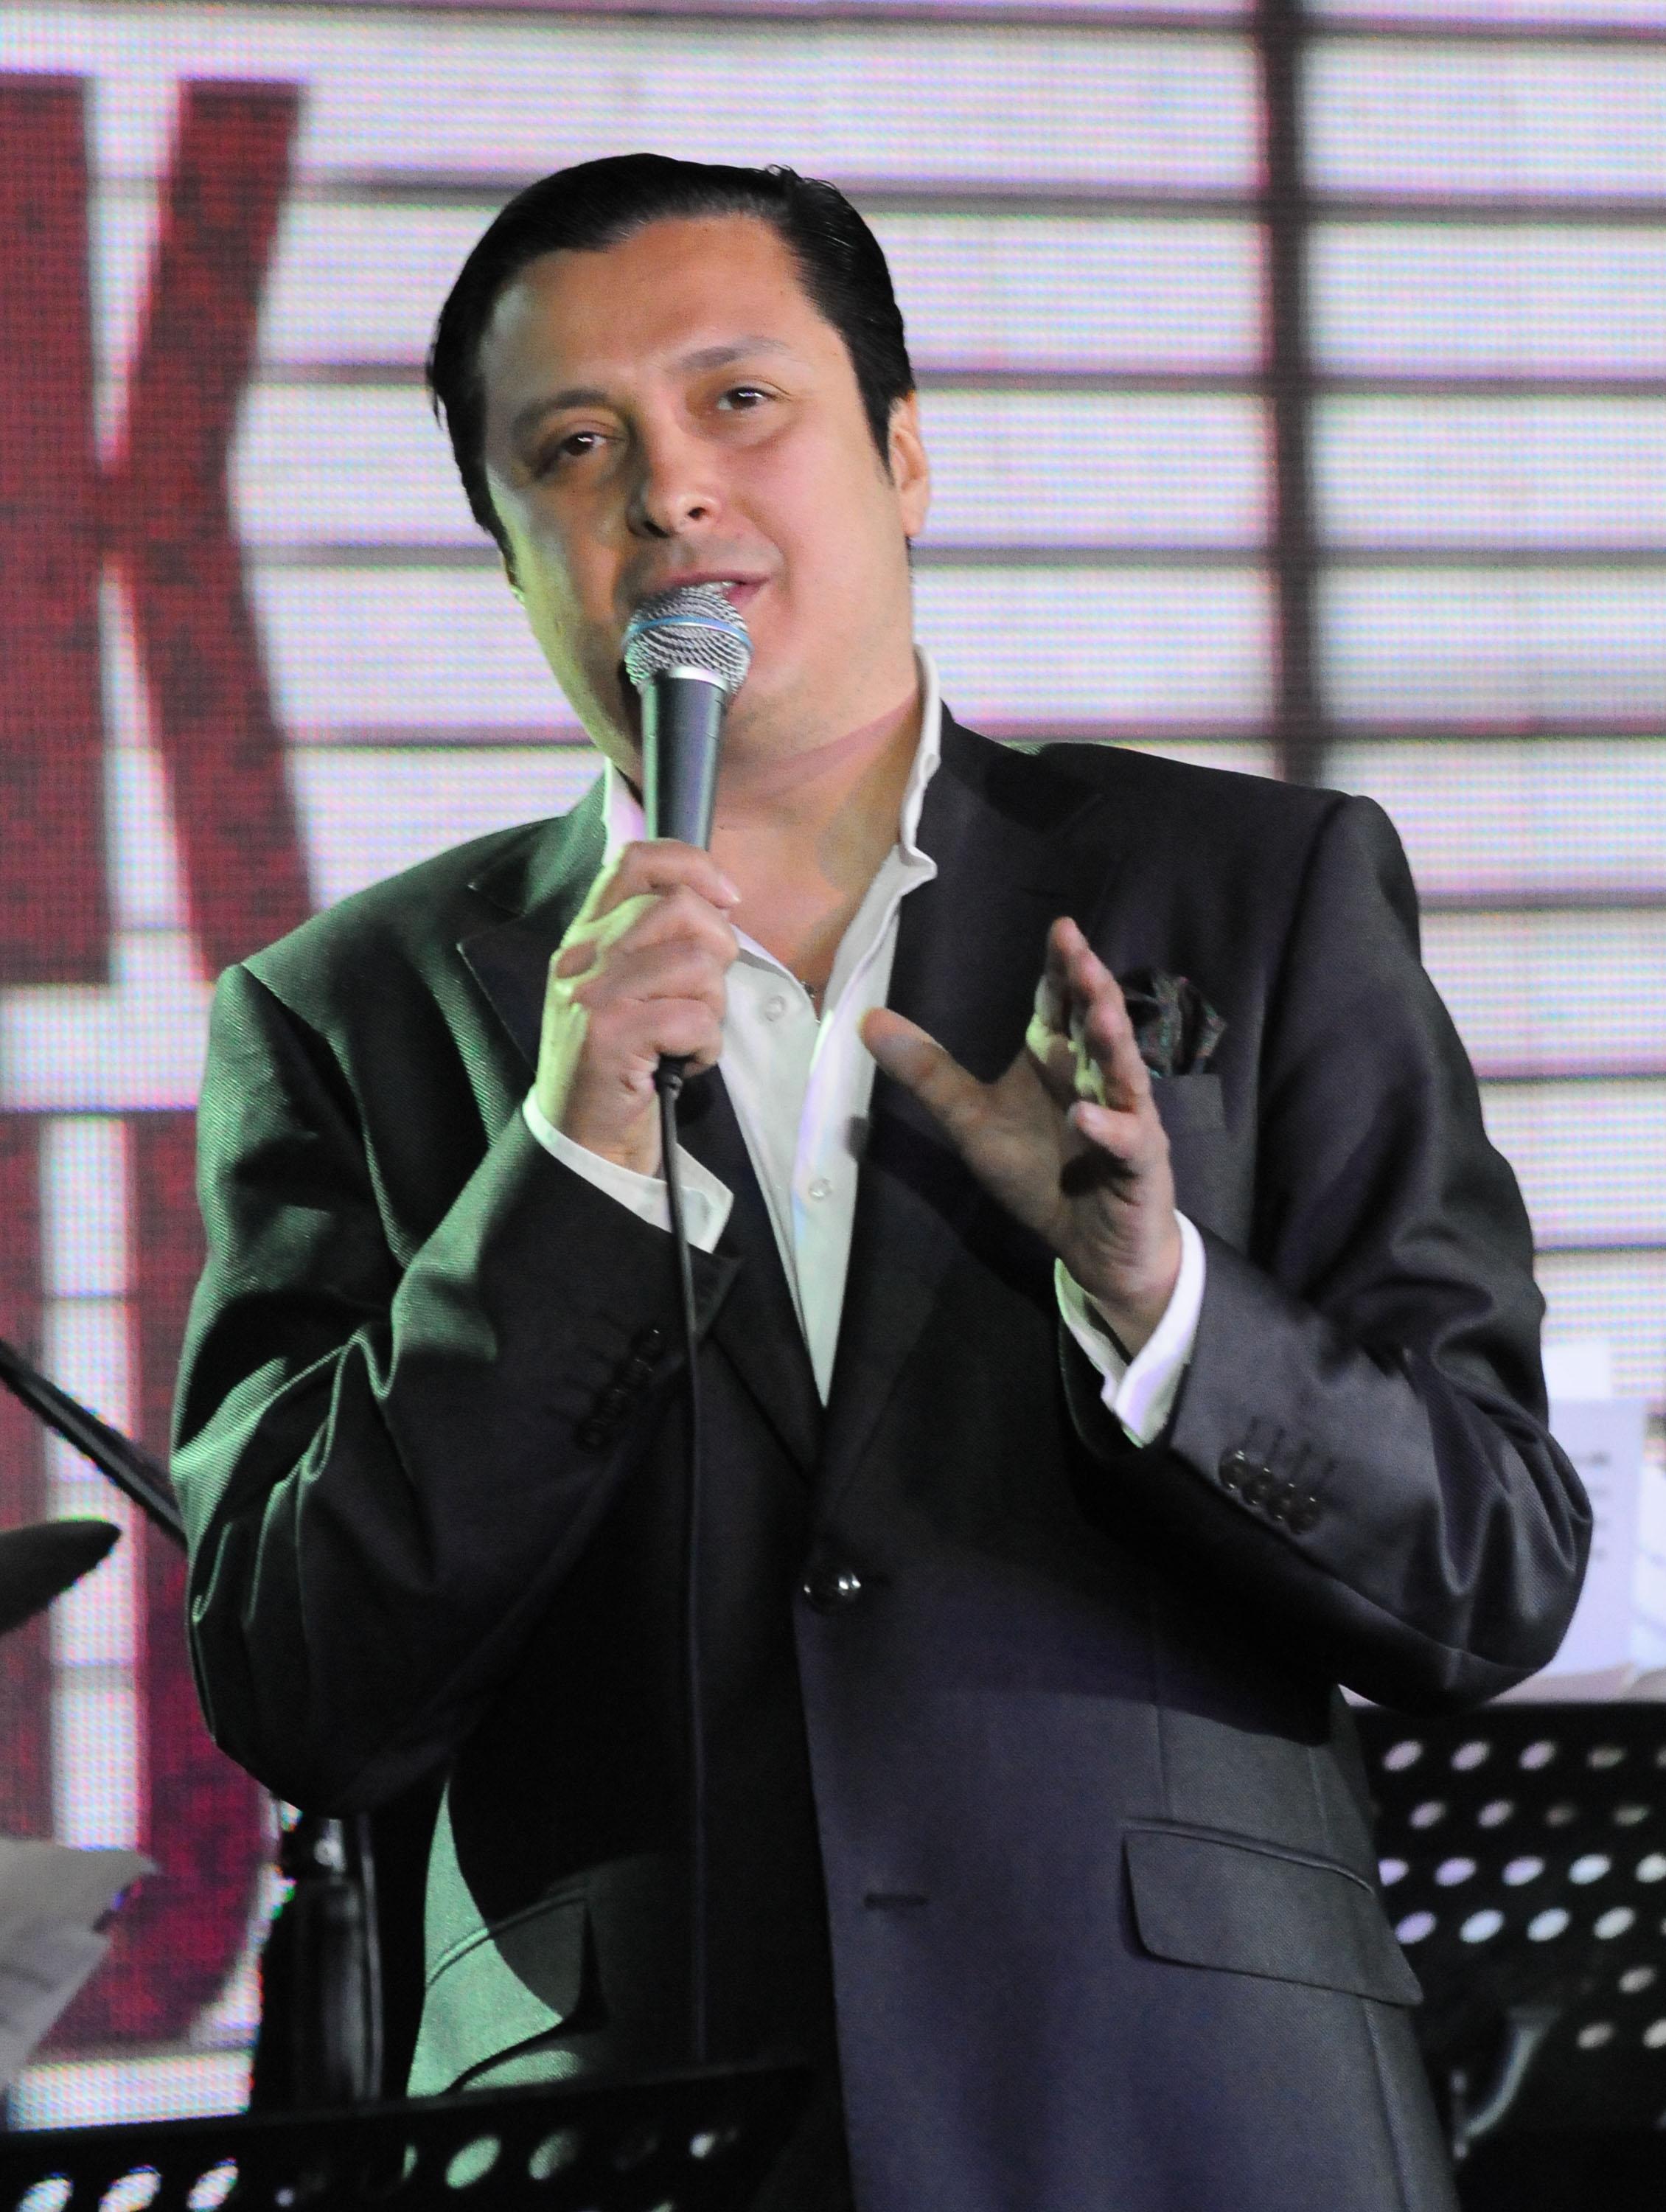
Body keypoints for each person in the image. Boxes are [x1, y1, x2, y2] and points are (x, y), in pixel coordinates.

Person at [172, 153, 1587, 2212]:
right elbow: (300, 1683)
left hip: (1189, 2121)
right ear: (509, 551)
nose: (670, 492)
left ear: (903, 456)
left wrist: (1162, 1308)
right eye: (576, 448)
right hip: (633, 2131)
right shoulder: (346, 1012)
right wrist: (568, 1171)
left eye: (739, 402)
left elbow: (1492, 1566)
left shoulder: (1248, 890)